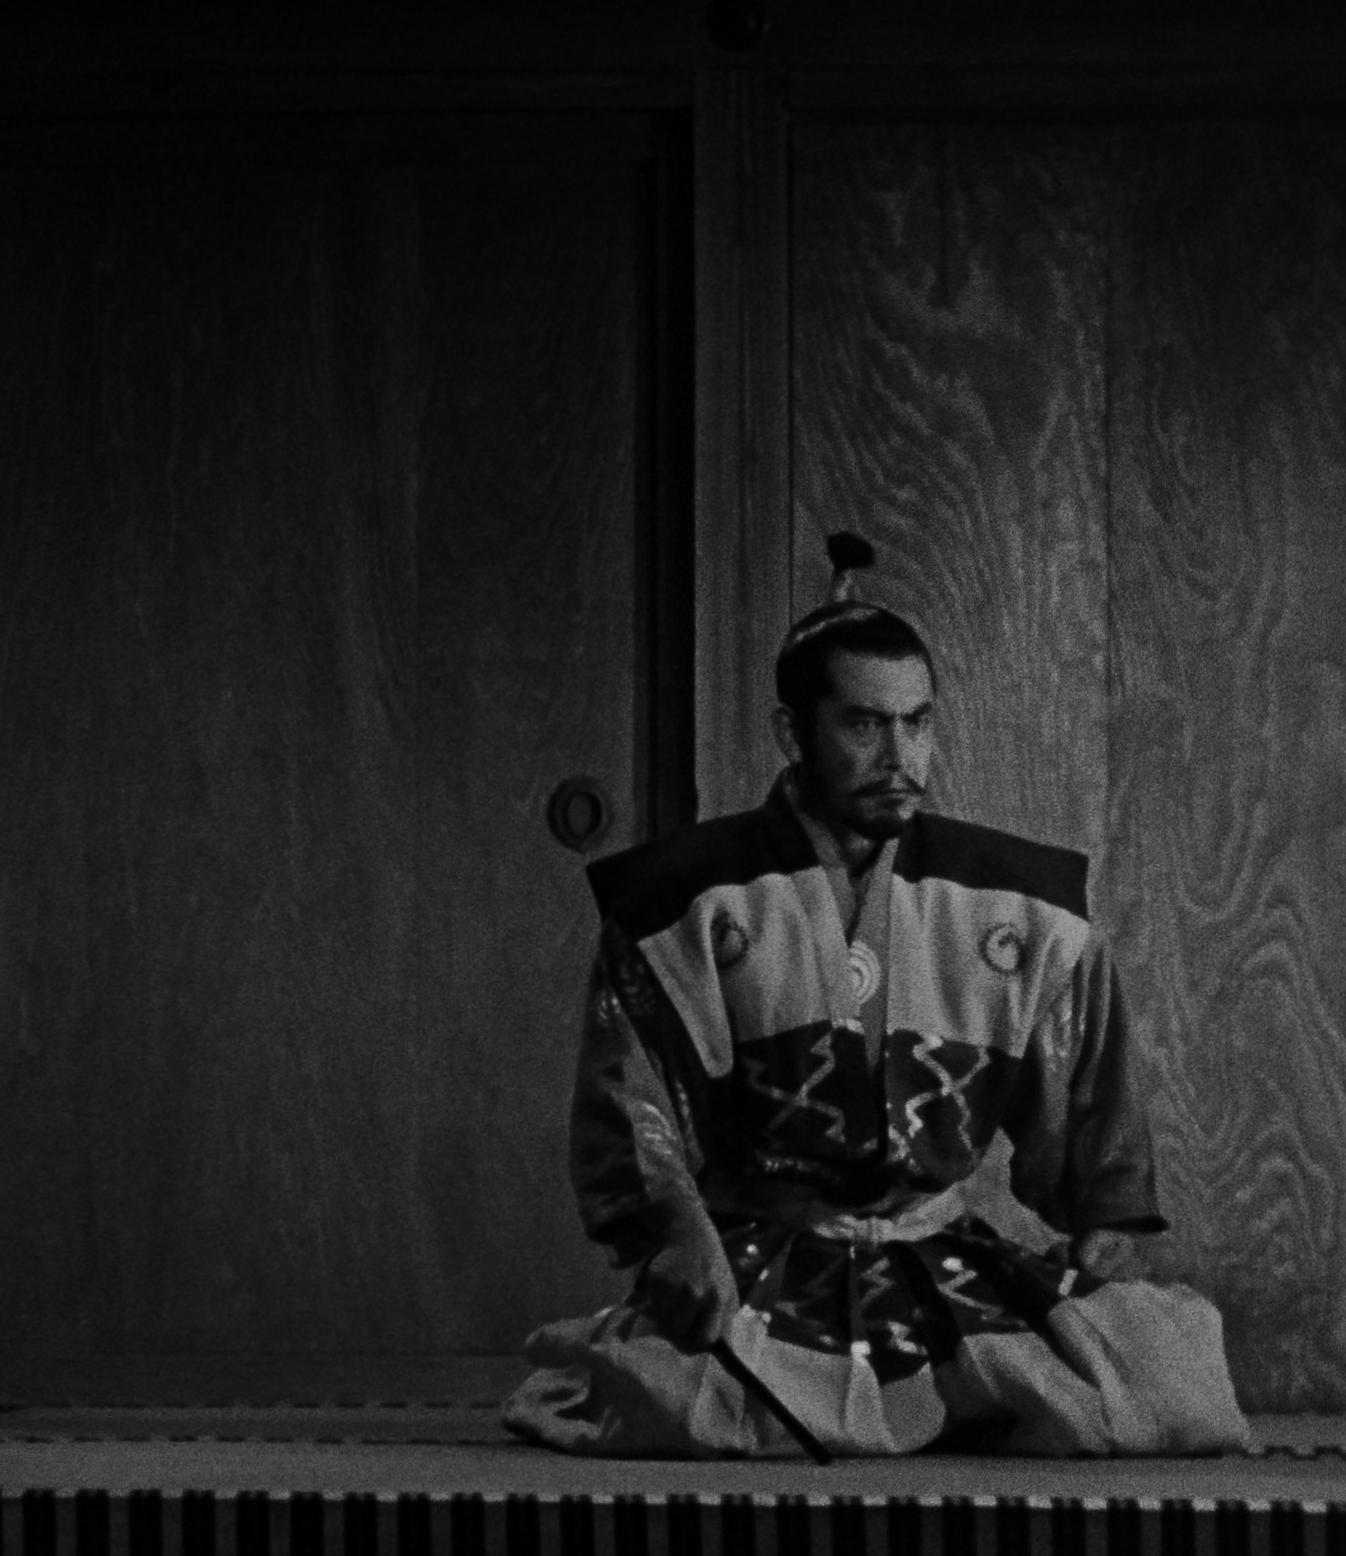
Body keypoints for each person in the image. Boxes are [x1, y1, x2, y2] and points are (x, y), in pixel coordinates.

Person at [501, 533, 1249, 1460]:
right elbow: (632, 1098)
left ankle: (939, 1391)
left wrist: (1103, 1221)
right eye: (864, 726)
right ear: (793, 733)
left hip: (936, 1255)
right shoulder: (684, 902)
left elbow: (1089, 1079)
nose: (901, 756)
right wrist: (676, 1236)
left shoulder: (1018, 906)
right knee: (676, 1403)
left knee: (1164, 1390)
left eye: (918, 723)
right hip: (764, 1256)